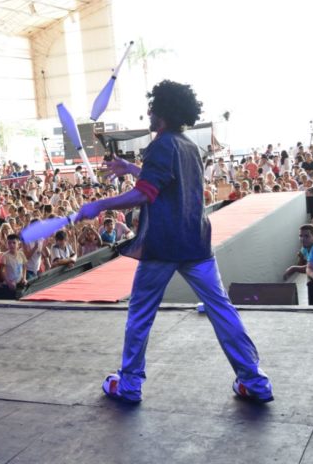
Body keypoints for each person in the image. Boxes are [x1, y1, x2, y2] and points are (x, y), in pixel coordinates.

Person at [77, 80, 273, 404]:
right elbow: (170, 181)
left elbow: (145, 193)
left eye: (152, 108)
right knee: (222, 309)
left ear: (163, 112)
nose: (149, 113)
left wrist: (100, 205)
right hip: (196, 243)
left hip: (162, 247)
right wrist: (130, 167)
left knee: (140, 316)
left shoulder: (161, 144)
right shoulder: (188, 147)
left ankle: (128, 385)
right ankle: (255, 380)